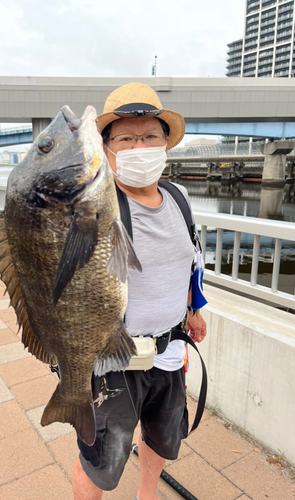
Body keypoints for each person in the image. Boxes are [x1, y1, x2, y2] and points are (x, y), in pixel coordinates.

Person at [72, 82, 207, 500]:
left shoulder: (179, 197)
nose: (139, 146)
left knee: (162, 437)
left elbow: (192, 263)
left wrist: (195, 310)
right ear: (106, 148)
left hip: (169, 353)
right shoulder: (93, 204)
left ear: (166, 143)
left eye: (150, 136)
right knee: (100, 462)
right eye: (126, 138)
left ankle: (146, 494)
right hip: (112, 359)